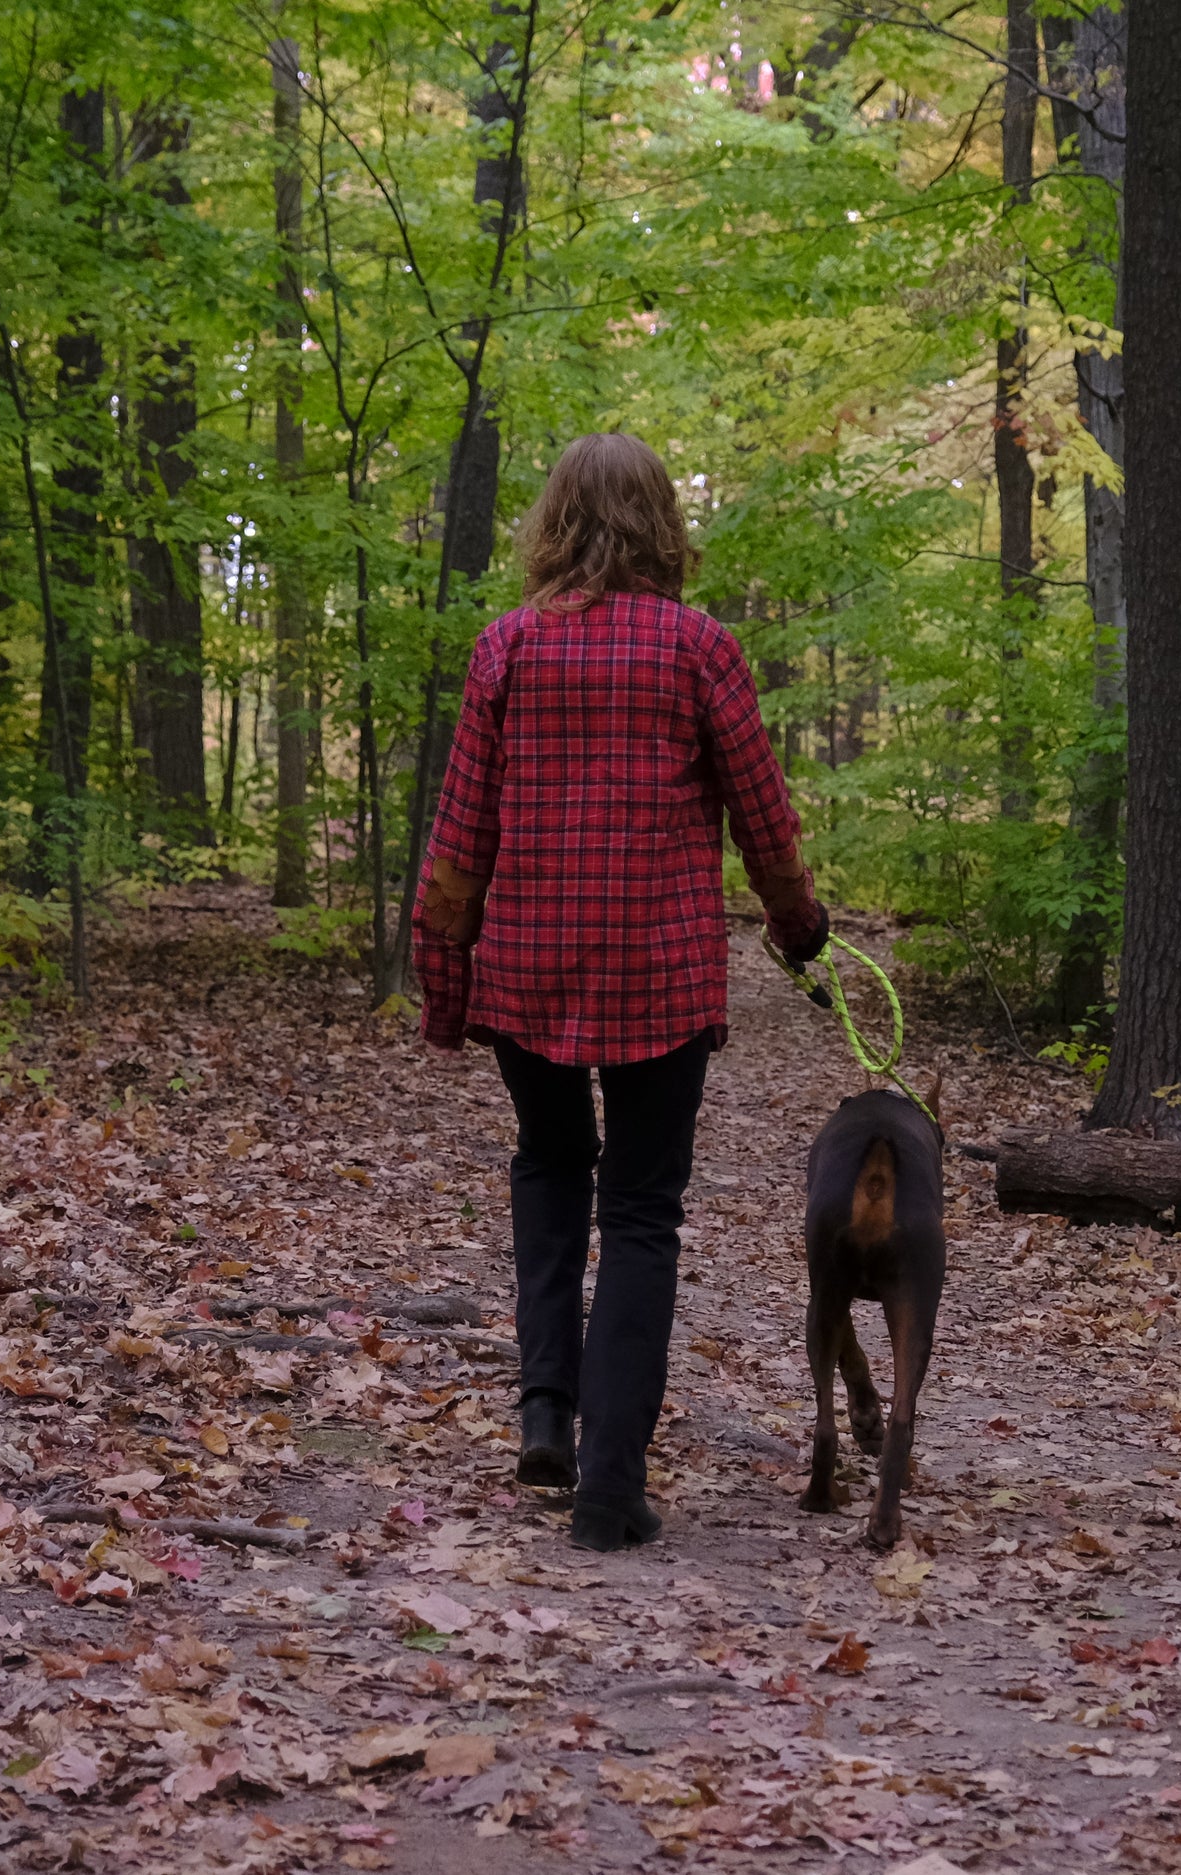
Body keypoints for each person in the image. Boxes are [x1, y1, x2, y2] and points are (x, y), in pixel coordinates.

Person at [412, 432, 828, 1553]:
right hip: (661, 974)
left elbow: (459, 838)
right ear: (661, 525)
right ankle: (609, 1483)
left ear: (554, 523)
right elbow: (764, 819)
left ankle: (546, 1413)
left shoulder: (507, 647)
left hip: (528, 970)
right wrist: (800, 927)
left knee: (551, 1169)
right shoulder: (701, 648)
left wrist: (445, 984)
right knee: (640, 1210)